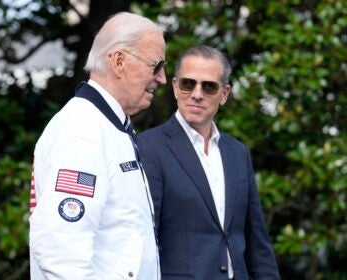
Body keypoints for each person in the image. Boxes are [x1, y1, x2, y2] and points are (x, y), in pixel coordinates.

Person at [29, 12, 167, 280]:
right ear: (118, 61)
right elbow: (62, 254)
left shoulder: (108, 126)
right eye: (156, 65)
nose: (161, 78)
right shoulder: (83, 131)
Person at [138, 45, 280, 280]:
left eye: (209, 86)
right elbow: (143, 237)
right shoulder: (149, 147)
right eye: (188, 84)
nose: (196, 94)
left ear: (224, 94)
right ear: (174, 87)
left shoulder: (237, 153)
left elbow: (257, 241)